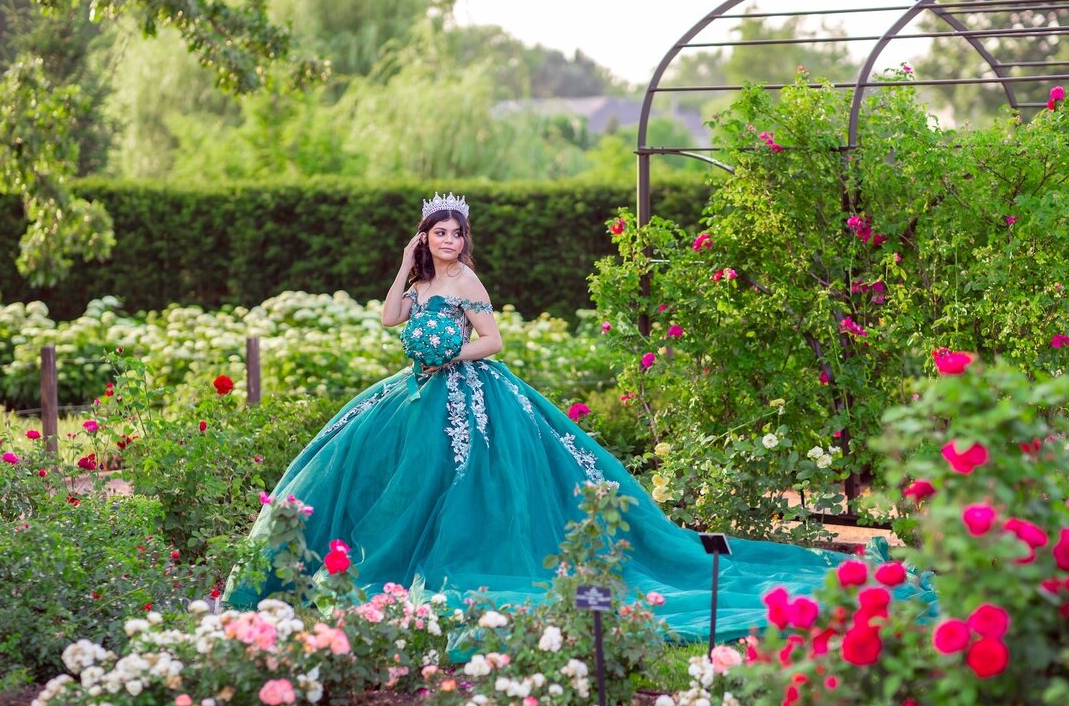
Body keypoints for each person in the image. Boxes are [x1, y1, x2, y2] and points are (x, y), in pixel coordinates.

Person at [226, 193, 887, 641]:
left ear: (465, 238)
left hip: (467, 386)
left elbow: (494, 343)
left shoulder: (468, 285)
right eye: (439, 232)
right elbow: (388, 319)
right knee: (366, 461)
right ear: (426, 236)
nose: (450, 240)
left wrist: (455, 348)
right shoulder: (422, 278)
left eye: (457, 231)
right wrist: (403, 266)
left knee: (466, 481)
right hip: (415, 388)